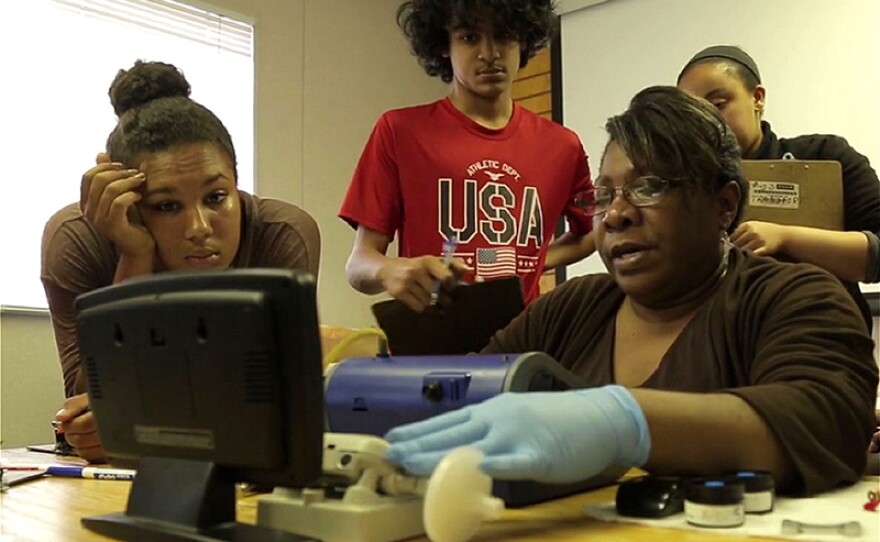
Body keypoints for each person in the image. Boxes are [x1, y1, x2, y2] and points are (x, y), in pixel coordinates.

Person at [384, 86, 878, 496]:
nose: (616, 214)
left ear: (724, 205)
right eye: (604, 195)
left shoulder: (797, 296)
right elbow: (465, 397)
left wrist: (622, 422)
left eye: (649, 187)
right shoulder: (571, 309)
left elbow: (826, 422)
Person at [42, 60, 321, 461]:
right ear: (134, 206)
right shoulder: (77, 239)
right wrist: (135, 254)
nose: (199, 227)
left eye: (216, 197)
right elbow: (91, 397)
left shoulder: (281, 233)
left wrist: (146, 425)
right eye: (167, 205)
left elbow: (284, 397)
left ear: (236, 182)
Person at [339, 0, 594, 312]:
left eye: (503, 35)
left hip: (521, 346)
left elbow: (592, 234)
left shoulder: (563, 147)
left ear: (524, 38)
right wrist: (390, 270)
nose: (489, 54)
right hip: (429, 348)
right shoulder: (400, 131)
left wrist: (530, 261)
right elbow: (358, 264)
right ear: (444, 44)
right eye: (470, 38)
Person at [677, 45, 880, 331]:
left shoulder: (824, 156)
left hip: (826, 340)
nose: (707, 123)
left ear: (757, 98)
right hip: (722, 351)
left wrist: (786, 238)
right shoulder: (685, 188)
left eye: (719, 104)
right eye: (692, 116)